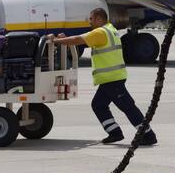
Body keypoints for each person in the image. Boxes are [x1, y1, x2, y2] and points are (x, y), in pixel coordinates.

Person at [54, 8, 157, 145]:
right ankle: (115, 133)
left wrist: (56, 40)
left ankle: (148, 135)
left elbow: (78, 39)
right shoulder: (110, 29)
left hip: (112, 79)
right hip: (111, 78)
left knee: (127, 107)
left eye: (91, 18)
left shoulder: (101, 32)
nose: (89, 21)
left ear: (98, 19)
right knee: (98, 105)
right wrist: (64, 39)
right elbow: (83, 38)